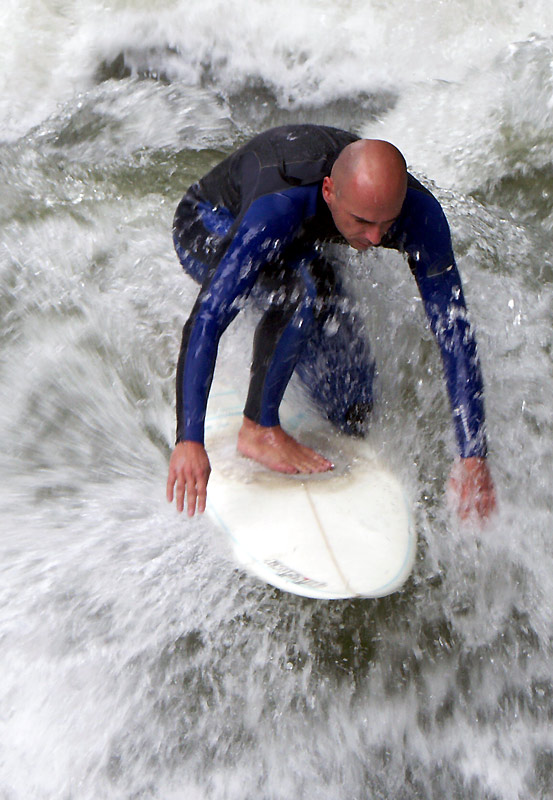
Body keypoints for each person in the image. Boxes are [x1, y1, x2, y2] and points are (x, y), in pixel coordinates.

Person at [166, 124, 496, 522]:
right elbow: (208, 316)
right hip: (210, 223)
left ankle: (328, 406)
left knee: (352, 402)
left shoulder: (417, 215)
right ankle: (258, 429)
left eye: (386, 224)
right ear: (329, 191)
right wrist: (189, 440)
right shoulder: (278, 205)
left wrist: (473, 455)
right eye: (362, 221)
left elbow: (454, 329)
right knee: (303, 290)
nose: (375, 239)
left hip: (299, 234)